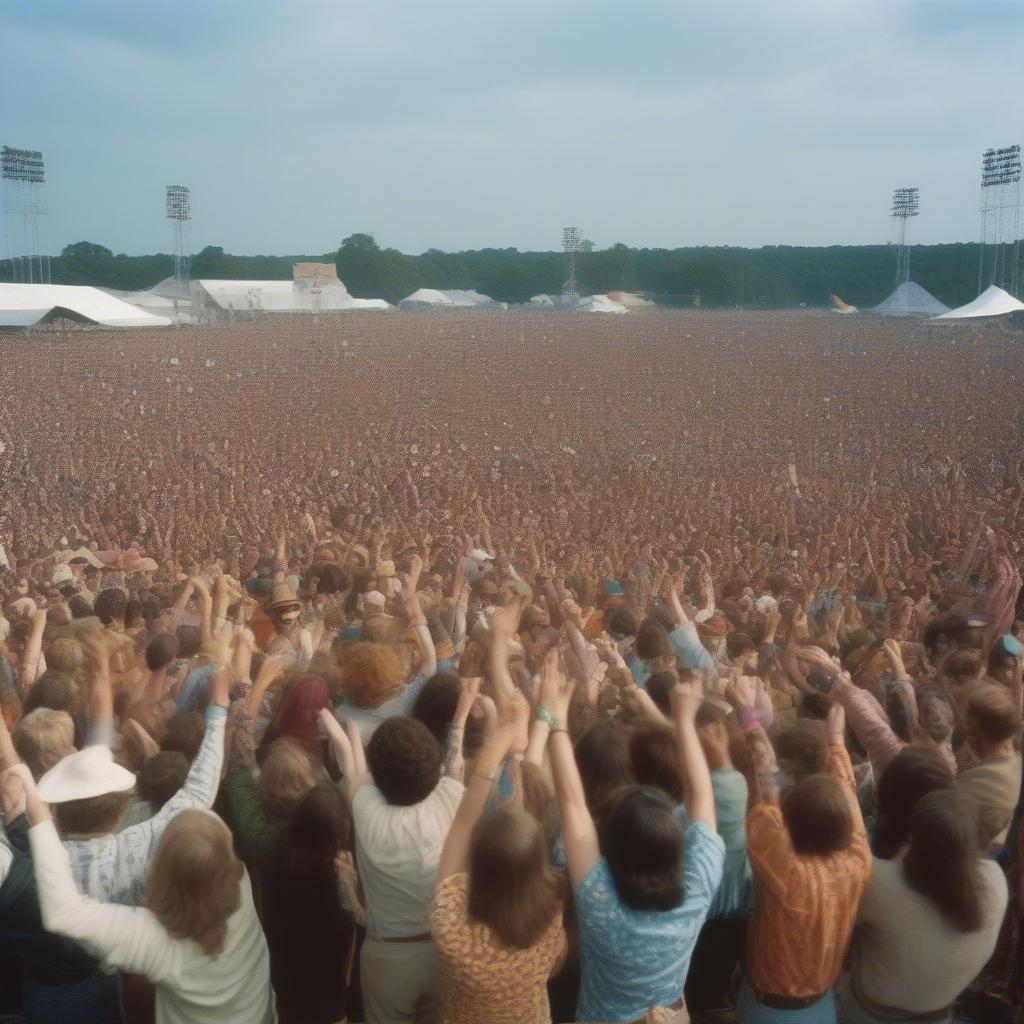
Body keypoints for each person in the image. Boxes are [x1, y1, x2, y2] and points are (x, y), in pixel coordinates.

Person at [9, 764, 274, 1024]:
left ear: (160, 874)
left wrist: (40, 820)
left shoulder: (157, 943)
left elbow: (64, 914)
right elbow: (200, 805)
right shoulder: (240, 880)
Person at [548, 653, 724, 1023]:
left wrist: (555, 720)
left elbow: (574, 808)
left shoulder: (601, 906)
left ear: (612, 848)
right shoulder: (695, 894)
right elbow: (702, 798)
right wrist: (686, 723)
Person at [728, 674, 870, 1024]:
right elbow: (848, 798)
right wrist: (836, 742)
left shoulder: (786, 866)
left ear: (790, 817)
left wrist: (748, 715)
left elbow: (767, 779)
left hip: (770, 1011)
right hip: (822, 1008)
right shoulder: (857, 862)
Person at [431, 685, 567, 1024]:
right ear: (537, 866)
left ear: (478, 859)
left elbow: (462, 825)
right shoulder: (550, 921)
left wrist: (498, 741)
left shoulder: (451, 926)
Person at [321, 708, 462, 1024]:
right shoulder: (454, 795)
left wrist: (349, 744)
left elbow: (357, 779)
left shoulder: (367, 809)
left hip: (390, 959)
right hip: (446, 950)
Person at [839, 789, 1008, 1024]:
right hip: (939, 1015)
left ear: (911, 838)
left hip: (868, 1014)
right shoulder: (995, 880)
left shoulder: (880, 882)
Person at [262, 783, 359, 1024]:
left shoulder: (278, 859)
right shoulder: (336, 874)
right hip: (328, 990)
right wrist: (349, 882)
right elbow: (350, 926)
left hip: (287, 979)